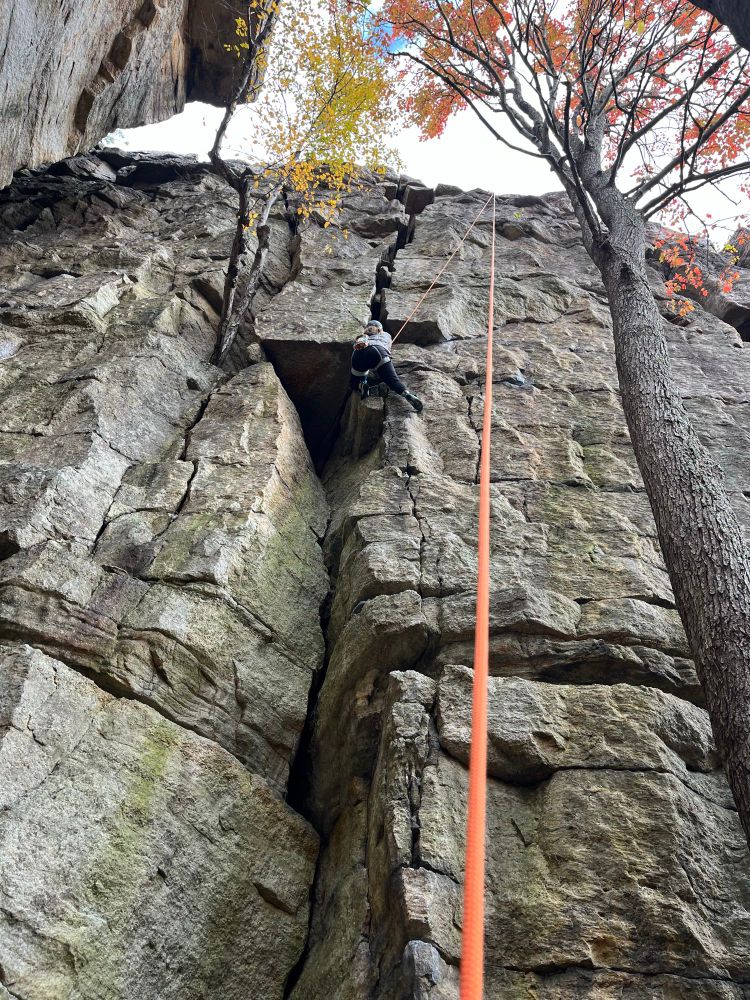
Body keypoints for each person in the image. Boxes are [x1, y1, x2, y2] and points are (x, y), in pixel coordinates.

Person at [350, 320, 424, 412]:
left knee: (355, 382)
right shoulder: (386, 335)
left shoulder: (363, 336)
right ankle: (406, 394)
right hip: (377, 351)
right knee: (392, 380)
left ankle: (363, 385)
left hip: (358, 353)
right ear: (380, 329)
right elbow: (387, 346)